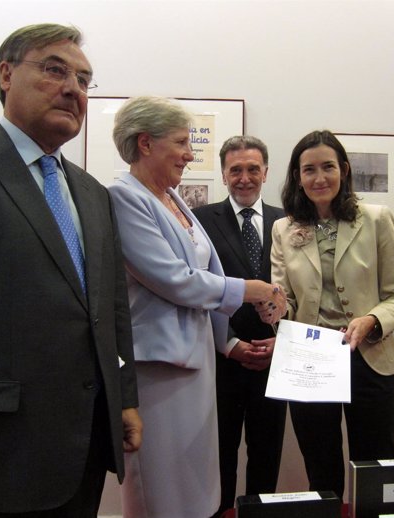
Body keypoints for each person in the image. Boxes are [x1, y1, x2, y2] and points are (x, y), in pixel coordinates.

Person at [0, 23, 142, 518]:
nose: (72, 89)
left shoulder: (92, 193)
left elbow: (111, 309)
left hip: (82, 450)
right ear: (5, 74)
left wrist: (122, 398)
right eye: (54, 70)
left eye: (84, 80)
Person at [108, 97, 286, 518]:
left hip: (197, 361)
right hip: (161, 368)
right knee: (163, 489)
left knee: (196, 484)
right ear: (146, 143)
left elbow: (205, 273)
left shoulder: (171, 196)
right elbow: (174, 280)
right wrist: (252, 290)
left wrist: (228, 343)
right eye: (182, 143)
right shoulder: (123, 196)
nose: (190, 154)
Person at [271, 130, 394, 499]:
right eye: (309, 170)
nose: (319, 178)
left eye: (328, 167)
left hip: (368, 355)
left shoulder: (377, 219)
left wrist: (372, 321)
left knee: (376, 464)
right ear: (297, 177)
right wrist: (271, 307)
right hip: (310, 361)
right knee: (321, 465)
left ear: (344, 170)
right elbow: (283, 300)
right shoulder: (284, 229)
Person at [193, 136, 287, 517]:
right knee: (220, 455)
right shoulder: (200, 221)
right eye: (236, 170)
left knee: (267, 456)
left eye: (253, 169)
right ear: (223, 174)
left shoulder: (290, 221)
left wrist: (279, 343)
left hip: (275, 359)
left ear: (266, 172)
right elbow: (196, 287)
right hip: (221, 360)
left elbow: (300, 290)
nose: (244, 178)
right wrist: (229, 343)